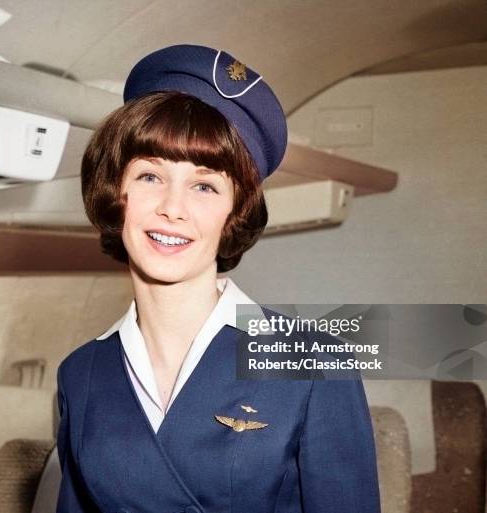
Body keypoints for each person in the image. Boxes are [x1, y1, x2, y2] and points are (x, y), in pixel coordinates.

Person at [56, 44, 381, 513]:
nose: (172, 208)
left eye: (205, 186)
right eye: (150, 177)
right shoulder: (81, 374)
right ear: (116, 192)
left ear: (234, 213)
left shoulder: (312, 364)